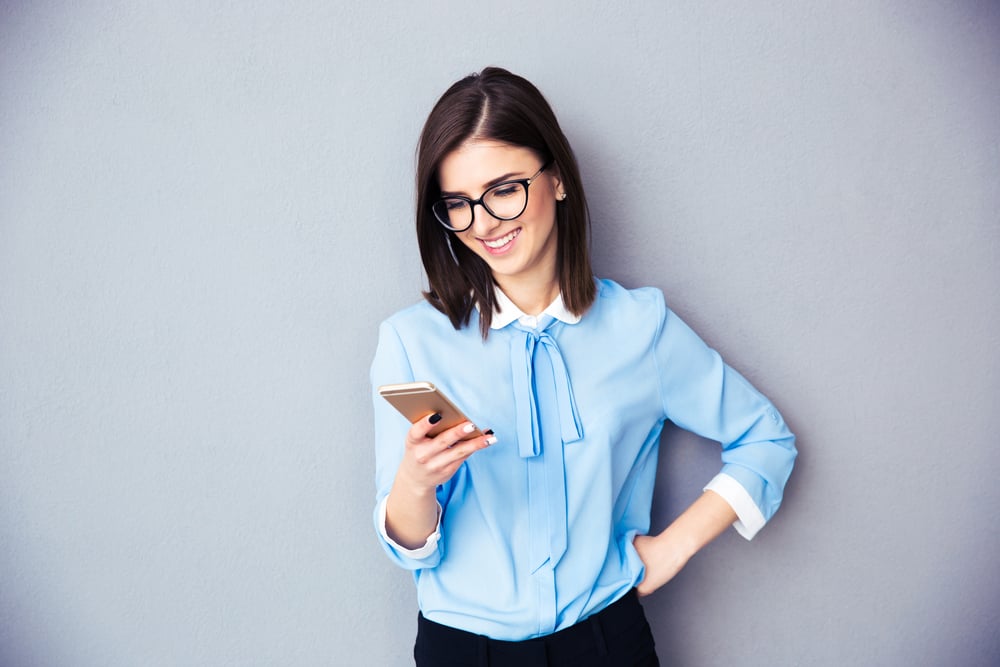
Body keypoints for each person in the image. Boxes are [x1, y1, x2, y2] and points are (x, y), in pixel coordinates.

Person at [370, 67, 797, 667]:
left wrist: (672, 549)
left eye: (504, 189)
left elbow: (766, 439)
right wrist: (415, 483)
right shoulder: (411, 344)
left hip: (605, 644)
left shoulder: (639, 327)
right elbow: (411, 550)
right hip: (460, 651)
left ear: (559, 180)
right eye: (459, 204)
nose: (485, 222)